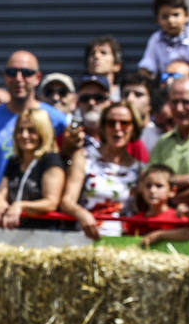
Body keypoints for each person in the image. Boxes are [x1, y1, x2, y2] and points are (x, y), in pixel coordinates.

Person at [0, 51, 68, 207]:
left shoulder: (57, 120)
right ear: (5, 76)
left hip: (33, 214)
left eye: (27, 73)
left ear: (37, 78)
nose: (19, 79)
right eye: (12, 72)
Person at [61, 101, 143, 239]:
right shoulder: (84, 156)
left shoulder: (140, 169)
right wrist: (82, 214)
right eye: (111, 123)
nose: (117, 128)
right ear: (103, 127)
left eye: (124, 123)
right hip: (85, 237)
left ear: (134, 128)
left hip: (122, 241)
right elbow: (67, 202)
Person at [0, 108, 66, 231]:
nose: (24, 135)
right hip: (12, 231)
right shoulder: (14, 162)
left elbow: (51, 203)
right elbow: (1, 193)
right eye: (20, 130)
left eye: (31, 131)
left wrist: (21, 206)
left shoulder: (51, 160)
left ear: (42, 132)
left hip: (42, 234)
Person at [148, 76, 189, 206]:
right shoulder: (164, 141)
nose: (179, 108)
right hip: (165, 222)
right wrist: (185, 180)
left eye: (186, 102)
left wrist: (170, 199)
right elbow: (147, 181)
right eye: (174, 102)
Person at [138, 0, 189, 78]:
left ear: (186, 15)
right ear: (157, 19)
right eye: (165, 17)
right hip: (164, 88)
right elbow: (148, 64)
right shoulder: (156, 39)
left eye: (176, 15)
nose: (171, 21)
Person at [137, 165, 189, 245]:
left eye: (159, 186)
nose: (152, 190)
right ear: (142, 189)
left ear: (172, 191)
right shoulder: (136, 219)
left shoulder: (178, 216)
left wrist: (160, 235)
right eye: (148, 186)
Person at [84, 36, 123, 102]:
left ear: (117, 65)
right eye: (92, 53)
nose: (96, 56)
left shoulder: (124, 95)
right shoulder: (81, 96)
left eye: (103, 53)